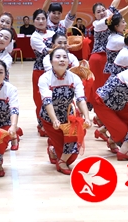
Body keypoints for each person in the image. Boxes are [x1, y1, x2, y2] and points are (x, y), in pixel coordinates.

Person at [38, 47, 91, 175]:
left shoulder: (74, 78)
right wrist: (54, 120)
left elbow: (81, 99)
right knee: (63, 149)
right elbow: (47, 101)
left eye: (65, 57)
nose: (62, 60)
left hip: (68, 116)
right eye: (58, 57)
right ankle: (55, 151)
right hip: (50, 118)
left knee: (71, 151)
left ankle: (61, 161)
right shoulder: (44, 78)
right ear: (51, 61)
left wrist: (87, 117)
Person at [30, 9, 55, 136]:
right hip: (40, 70)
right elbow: (46, 51)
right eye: (38, 19)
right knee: (40, 99)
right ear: (33, 21)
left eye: (43, 19)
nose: (40, 21)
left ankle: (54, 122)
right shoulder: (34, 37)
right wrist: (61, 47)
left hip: (55, 70)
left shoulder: (53, 33)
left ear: (47, 20)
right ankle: (42, 124)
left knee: (54, 97)